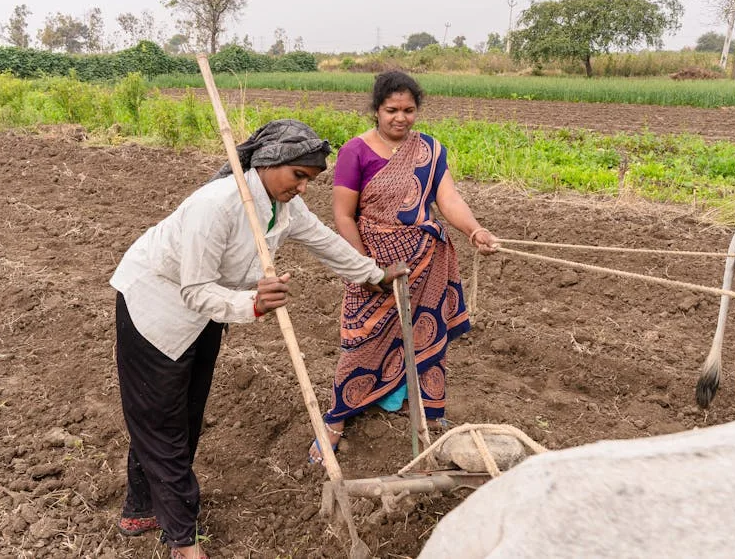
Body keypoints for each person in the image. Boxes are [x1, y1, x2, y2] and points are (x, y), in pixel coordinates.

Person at [109, 119, 408, 559]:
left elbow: (323, 240)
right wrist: (253, 304)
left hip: (208, 313)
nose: (304, 188)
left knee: (184, 416)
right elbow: (193, 289)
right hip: (157, 310)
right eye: (299, 176)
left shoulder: (282, 205)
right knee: (161, 426)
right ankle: (183, 541)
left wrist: (374, 274)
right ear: (269, 163)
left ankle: (142, 509)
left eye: (310, 180)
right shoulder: (216, 206)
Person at [309, 71, 498, 463]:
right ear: (376, 110)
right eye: (391, 109)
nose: (401, 117)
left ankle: (426, 415)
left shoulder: (429, 150)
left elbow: (448, 200)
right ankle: (336, 422)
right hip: (374, 262)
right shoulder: (355, 152)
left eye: (409, 110)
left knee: (427, 337)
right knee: (361, 340)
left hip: (425, 261)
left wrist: (474, 230)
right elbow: (344, 216)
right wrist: (366, 267)